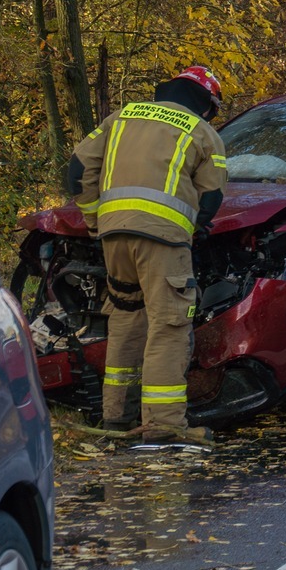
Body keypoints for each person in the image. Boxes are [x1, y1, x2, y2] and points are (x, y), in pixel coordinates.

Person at [70, 65, 229, 448]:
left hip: (114, 237)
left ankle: (116, 417)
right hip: (162, 242)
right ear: (207, 104)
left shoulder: (121, 117)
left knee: (126, 319)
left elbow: (77, 170)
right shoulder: (204, 133)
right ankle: (164, 426)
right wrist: (192, 229)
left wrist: (95, 221)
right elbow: (211, 196)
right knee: (169, 325)